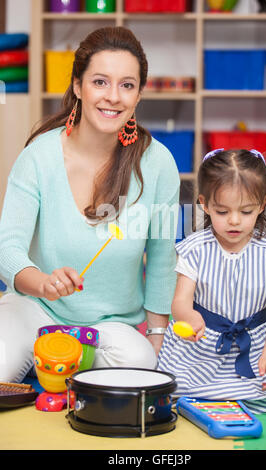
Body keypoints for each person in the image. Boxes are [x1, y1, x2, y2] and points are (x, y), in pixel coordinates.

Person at [0, 26, 180, 383]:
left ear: (139, 94)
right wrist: (43, 283)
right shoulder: (38, 157)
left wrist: (158, 337)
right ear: (78, 87)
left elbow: (162, 257)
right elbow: (8, 248)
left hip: (110, 328)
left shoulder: (158, 164)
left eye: (127, 85)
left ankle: (64, 365)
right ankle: (53, 361)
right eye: (100, 82)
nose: (113, 97)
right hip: (35, 309)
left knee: (141, 365)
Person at [158, 148, 266, 414]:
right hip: (205, 345)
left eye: (246, 211)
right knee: (177, 386)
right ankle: (226, 391)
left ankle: (247, 385)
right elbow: (179, 301)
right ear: (205, 204)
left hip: (258, 340)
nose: (234, 221)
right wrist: (188, 316)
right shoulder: (195, 249)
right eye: (222, 211)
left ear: (262, 204)